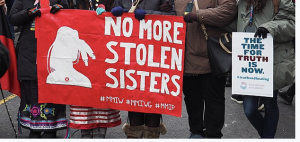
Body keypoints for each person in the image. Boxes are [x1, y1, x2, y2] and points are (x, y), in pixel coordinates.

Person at [227, 0, 295, 138]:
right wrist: (213, 18)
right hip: (248, 63)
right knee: (250, 110)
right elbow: (234, 24)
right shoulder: (241, 2)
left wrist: (270, 28)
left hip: (272, 60)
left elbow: (291, 24)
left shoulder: (279, 1)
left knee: (270, 105)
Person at [110, 0, 175, 138]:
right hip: (131, 55)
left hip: (155, 54)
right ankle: (133, 133)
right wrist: (114, 13)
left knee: (153, 99)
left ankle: (152, 134)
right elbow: (111, 19)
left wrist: (149, 14)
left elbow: (172, 16)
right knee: (134, 97)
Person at [174, 0, 237, 138]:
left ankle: (213, 135)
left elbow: (229, 10)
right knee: (192, 99)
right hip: (185, 58)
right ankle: (196, 131)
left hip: (211, 58)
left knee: (214, 100)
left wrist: (199, 15)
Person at [9, 0, 69, 138]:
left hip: (53, 49)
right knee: (31, 85)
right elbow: (12, 18)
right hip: (29, 50)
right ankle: (34, 126)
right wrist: (28, 12)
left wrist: (59, 8)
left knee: (51, 83)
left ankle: (51, 127)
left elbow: (68, 11)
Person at [67, 0, 122, 139]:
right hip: (80, 52)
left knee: (102, 93)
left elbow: (121, 12)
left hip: (105, 52)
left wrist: (114, 12)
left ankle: (100, 133)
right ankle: (85, 132)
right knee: (83, 94)